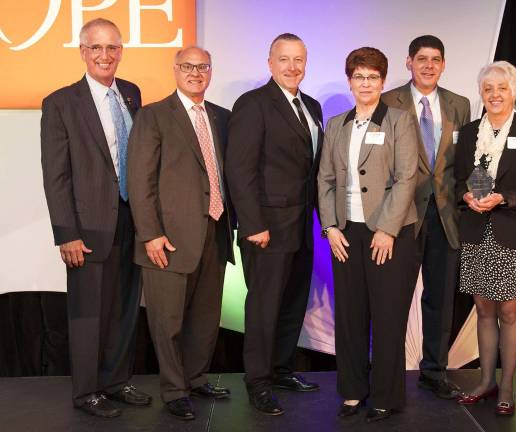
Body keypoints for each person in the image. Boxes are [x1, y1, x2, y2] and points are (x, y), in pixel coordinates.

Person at [40, 18, 151, 417]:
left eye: (113, 48)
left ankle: (116, 382)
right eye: (96, 48)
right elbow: (56, 176)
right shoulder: (60, 102)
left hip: (132, 221)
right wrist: (65, 233)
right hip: (86, 228)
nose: (105, 56)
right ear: (83, 52)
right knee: (88, 314)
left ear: (120, 51)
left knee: (124, 309)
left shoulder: (133, 94)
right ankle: (87, 392)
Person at [127, 46, 235, 420]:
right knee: (167, 320)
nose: (195, 73)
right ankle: (174, 390)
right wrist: (150, 234)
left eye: (202, 66)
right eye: (187, 66)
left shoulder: (222, 117)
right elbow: (139, 181)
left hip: (215, 232)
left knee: (205, 317)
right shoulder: (153, 116)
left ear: (211, 71)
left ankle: (195, 377)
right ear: (175, 70)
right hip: (167, 239)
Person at [318, 47, 418, 423]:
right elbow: (324, 179)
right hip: (346, 235)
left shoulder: (399, 121)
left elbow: (407, 178)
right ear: (349, 80)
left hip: (388, 236)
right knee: (350, 316)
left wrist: (387, 230)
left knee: (388, 317)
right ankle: (352, 391)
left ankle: (385, 396)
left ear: (382, 81)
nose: (365, 83)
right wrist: (330, 228)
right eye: (359, 76)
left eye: (373, 77)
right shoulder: (336, 124)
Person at [225, 33, 323, 416]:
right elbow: (239, 169)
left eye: (299, 59)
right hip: (265, 227)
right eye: (284, 59)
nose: (292, 67)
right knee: (264, 307)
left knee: (292, 302)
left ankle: (281, 369)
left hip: (301, 225)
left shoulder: (310, 105)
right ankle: (258, 382)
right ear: (270, 63)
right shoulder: (253, 104)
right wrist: (252, 223)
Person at [454, 61, 516, 415]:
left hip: (512, 232)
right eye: (488, 88)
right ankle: (485, 381)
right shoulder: (467, 134)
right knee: (482, 309)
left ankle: (507, 385)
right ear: (481, 93)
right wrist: (466, 196)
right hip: (477, 232)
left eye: (502, 88)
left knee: (509, 312)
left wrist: (504, 198)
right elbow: (458, 179)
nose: (495, 94)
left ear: (515, 91)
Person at [382, 35, 471, 399]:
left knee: (440, 298)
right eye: (422, 59)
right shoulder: (389, 101)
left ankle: (434, 371)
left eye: (436, 59)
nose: (429, 65)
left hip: (447, 215)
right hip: (402, 216)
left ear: (444, 64)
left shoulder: (460, 104)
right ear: (409, 62)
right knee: (394, 297)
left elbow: (465, 160)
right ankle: (386, 372)